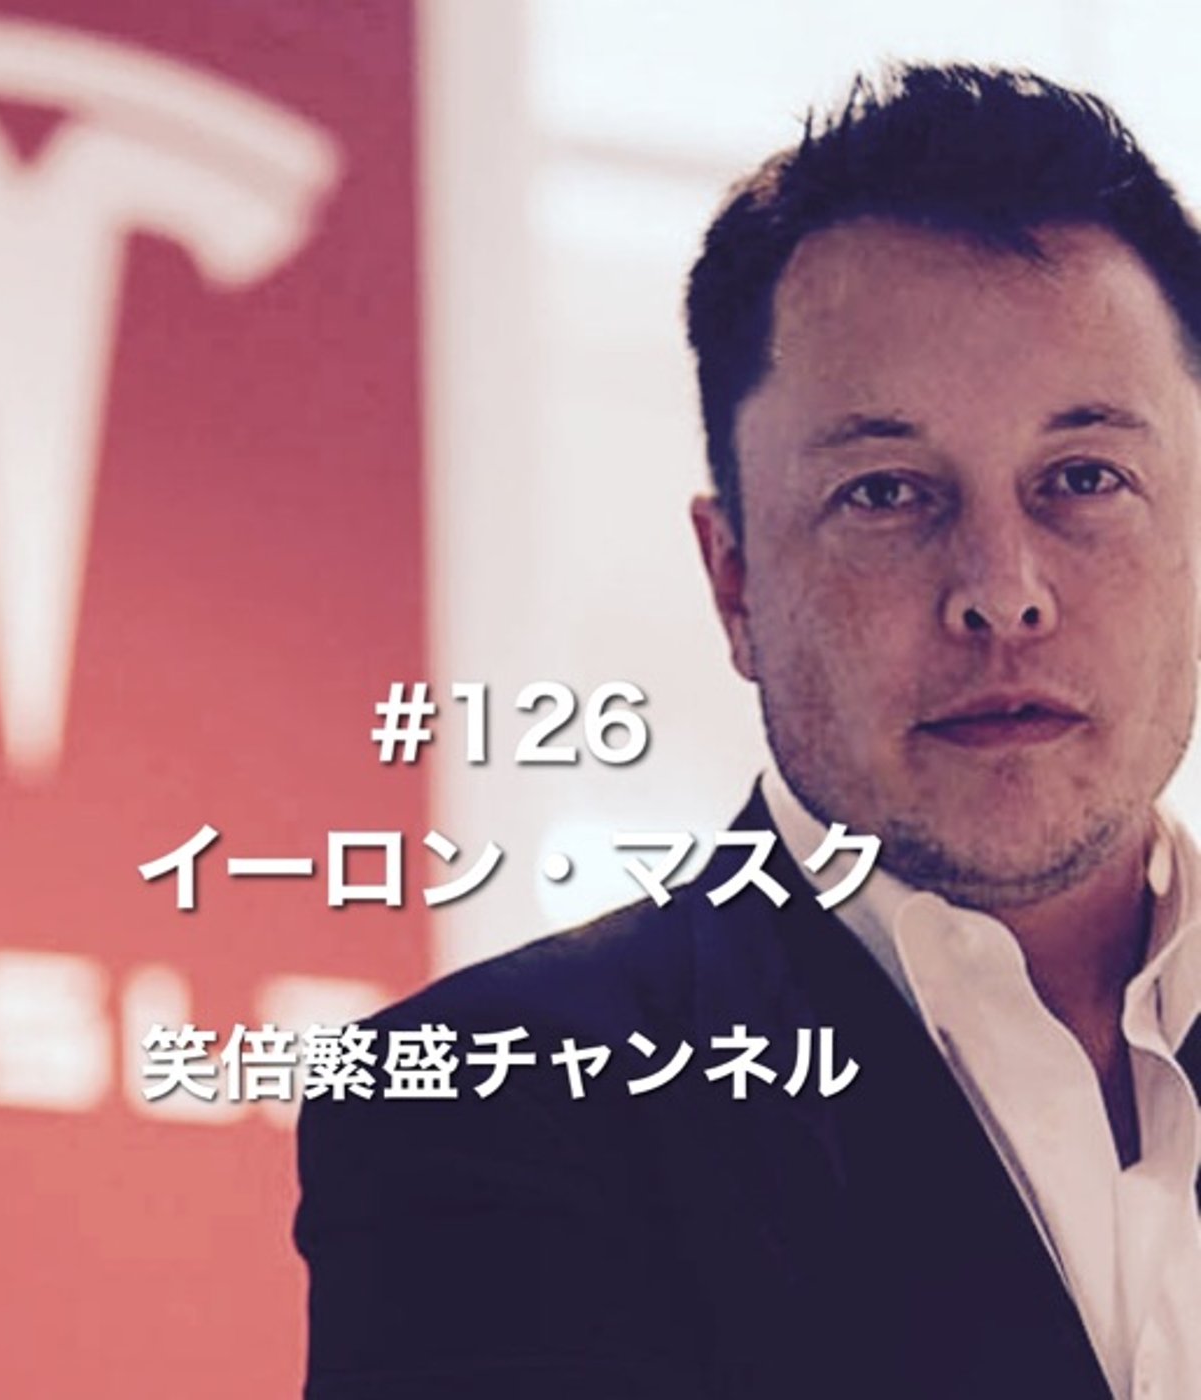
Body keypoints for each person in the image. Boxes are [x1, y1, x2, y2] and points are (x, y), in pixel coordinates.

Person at [294, 64, 1200, 1399]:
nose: (1003, 590)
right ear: (734, 582)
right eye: (885, 492)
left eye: (1083, 477)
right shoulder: (497, 1109)